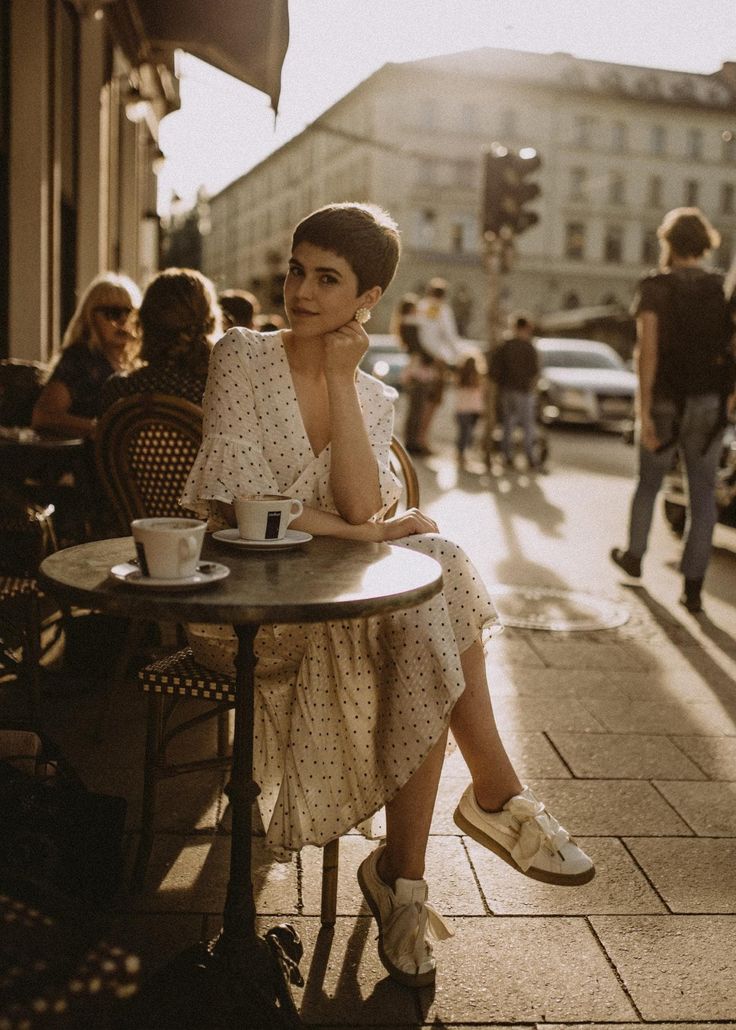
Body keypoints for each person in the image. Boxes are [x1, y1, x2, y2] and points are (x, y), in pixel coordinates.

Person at [181, 202, 594, 990]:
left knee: (426, 620)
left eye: (326, 279)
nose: (300, 291)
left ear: (367, 299)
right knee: (428, 591)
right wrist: (366, 538)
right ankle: (478, 814)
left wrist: (340, 381)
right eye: (298, 270)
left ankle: (407, 881)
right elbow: (244, 503)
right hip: (242, 614)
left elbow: (359, 506)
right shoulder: (239, 354)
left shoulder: (372, 396)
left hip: (335, 609)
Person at [611, 207, 736, 613]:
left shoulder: (655, 286)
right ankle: (693, 585)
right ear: (705, 244)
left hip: (665, 398)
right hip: (709, 402)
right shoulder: (721, 288)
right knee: (703, 494)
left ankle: (634, 556)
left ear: (668, 242)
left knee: (649, 482)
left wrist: (643, 410)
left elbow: (647, 351)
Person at [32, 272, 141, 440]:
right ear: (91, 317)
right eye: (113, 312)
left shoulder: (139, 363)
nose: (123, 320)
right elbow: (44, 416)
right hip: (89, 459)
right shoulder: (78, 359)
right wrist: (104, 429)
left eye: (130, 312)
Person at [100, 268, 221, 412]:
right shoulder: (219, 391)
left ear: (144, 322)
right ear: (208, 322)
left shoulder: (119, 389)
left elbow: (104, 434)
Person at [411, 277, 462, 455]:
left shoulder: (421, 307)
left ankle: (416, 439)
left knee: (420, 402)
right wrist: (457, 357)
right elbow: (449, 335)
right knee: (432, 401)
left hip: (423, 359)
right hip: (437, 360)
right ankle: (422, 439)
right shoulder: (440, 309)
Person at [489, 313, 541, 468]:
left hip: (507, 390)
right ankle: (529, 456)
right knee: (527, 425)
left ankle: (508, 455)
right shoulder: (528, 347)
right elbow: (534, 371)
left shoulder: (506, 345)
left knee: (508, 423)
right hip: (523, 391)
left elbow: (495, 370)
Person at [393, 293, 435, 455]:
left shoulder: (405, 325)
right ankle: (412, 443)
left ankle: (412, 441)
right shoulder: (410, 325)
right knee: (417, 407)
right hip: (418, 369)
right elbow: (419, 348)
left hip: (415, 367)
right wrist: (431, 358)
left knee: (415, 406)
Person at [454, 353, 486, 466]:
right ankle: (462, 454)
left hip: (462, 409)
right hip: (472, 410)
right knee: (467, 434)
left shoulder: (461, 378)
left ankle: (460, 453)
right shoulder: (476, 378)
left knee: (463, 433)